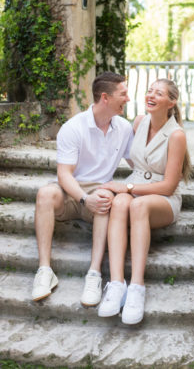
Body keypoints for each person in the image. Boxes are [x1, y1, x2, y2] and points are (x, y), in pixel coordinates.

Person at [31, 71, 134, 307]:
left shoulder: (125, 128)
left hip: (99, 195)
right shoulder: (73, 127)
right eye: (123, 94)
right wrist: (83, 198)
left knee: (105, 197)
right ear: (105, 98)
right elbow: (64, 174)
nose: (127, 99)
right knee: (45, 193)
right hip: (72, 192)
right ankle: (45, 271)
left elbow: (137, 163)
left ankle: (94, 274)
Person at [97, 78, 191, 324]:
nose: (151, 95)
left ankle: (137, 288)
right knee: (118, 204)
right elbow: (134, 159)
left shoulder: (177, 135)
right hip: (137, 183)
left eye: (158, 93)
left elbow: (169, 186)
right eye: (150, 91)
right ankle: (116, 284)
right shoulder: (138, 122)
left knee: (137, 204)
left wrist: (126, 187)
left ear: (171, 102)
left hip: (163, 198)